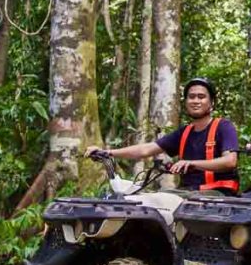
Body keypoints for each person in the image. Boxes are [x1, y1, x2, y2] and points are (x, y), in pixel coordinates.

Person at [87, 77, 240, 194]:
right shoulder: (185, 132)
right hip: (189, 193)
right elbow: (146, 150)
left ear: (211, 103)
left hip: (218, 194)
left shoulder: (223, 127)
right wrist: (108, 153)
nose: (195, 101)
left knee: (164, 201)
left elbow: (230, 161)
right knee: (145, 200)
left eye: (201, 97)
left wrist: (192, 163)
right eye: (191, 97)